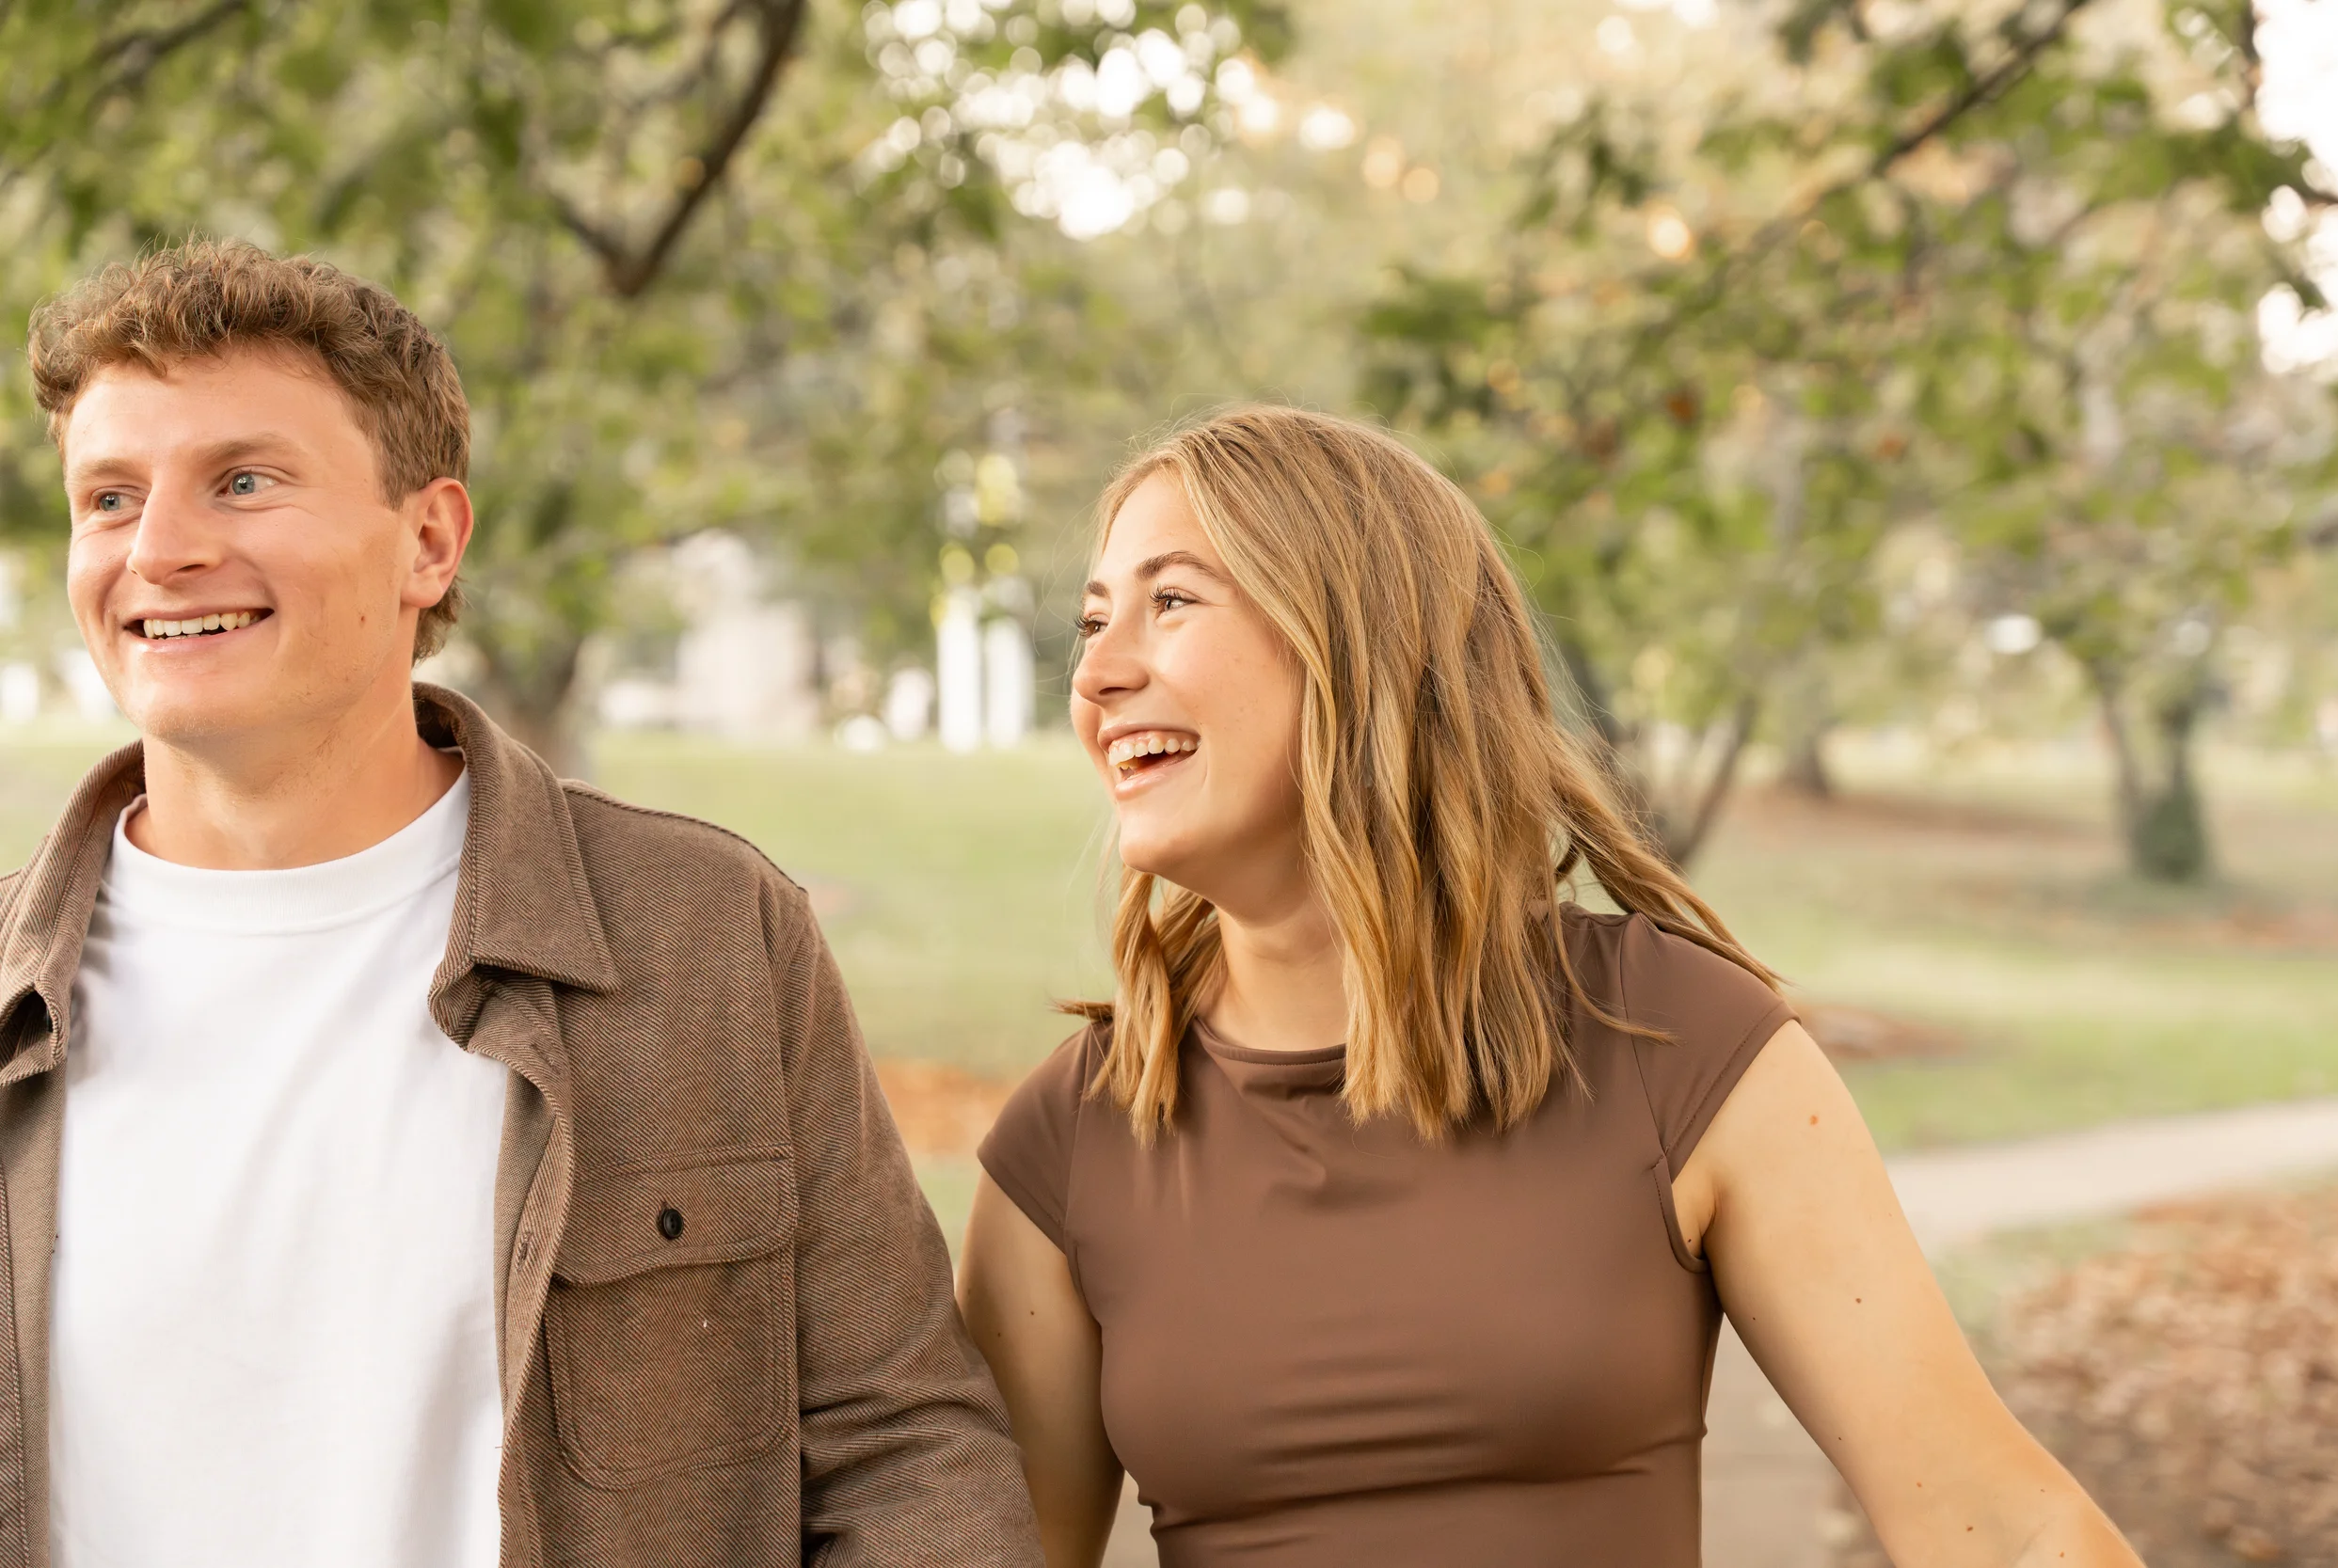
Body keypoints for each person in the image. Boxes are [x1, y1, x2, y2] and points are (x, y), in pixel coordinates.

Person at [959, 406, 2141, 1567]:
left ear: (1359, 638)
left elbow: (2008, 1530)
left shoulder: (1676, 1046)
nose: (1096, 673)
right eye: (1092, 621)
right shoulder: (1067, 1148)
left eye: (1170, 601)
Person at [12, 239, 1042, 1568]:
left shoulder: (704, 935)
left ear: (428, 541)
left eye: (245, 480)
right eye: (108, 497)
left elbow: (902, 1446)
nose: (159, 550)